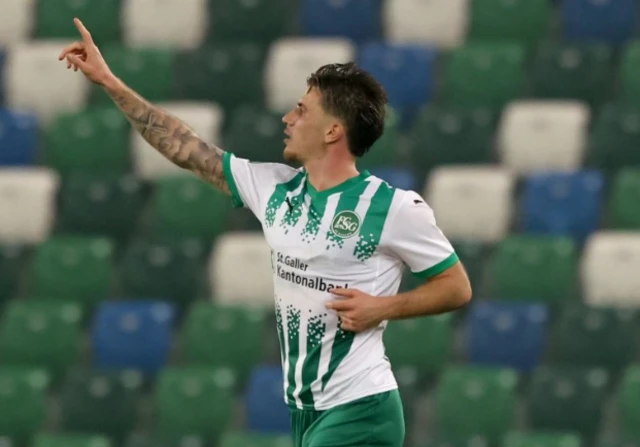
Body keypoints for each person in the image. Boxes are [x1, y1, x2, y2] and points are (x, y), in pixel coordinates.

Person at [59, 17, 472, 447]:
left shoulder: (394, 208)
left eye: (302, 110)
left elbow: (456, 287)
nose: (287, 117)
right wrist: (109, 81)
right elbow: (184, 148)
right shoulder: (273, 187)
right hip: (306, 412)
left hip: (362, 409)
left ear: (333, 130)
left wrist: (381, 307)